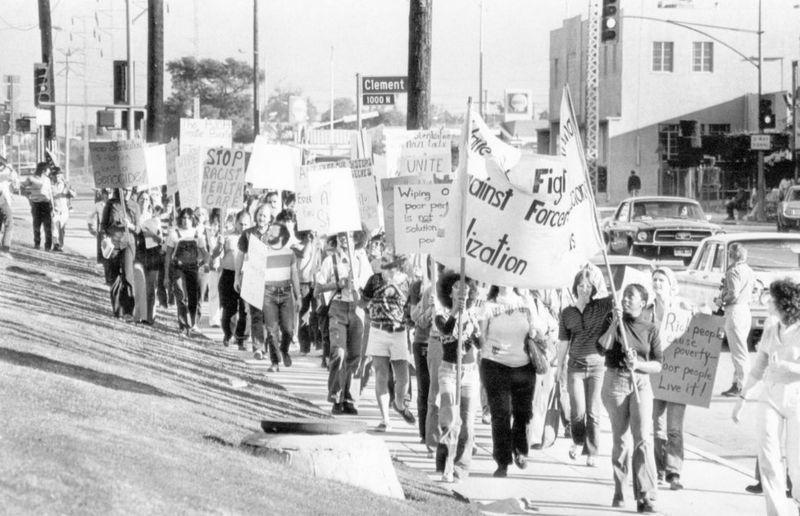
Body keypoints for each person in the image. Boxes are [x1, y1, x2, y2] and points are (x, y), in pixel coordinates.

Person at [732, 278, 800, 516]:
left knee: (797, 462)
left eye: (772, 298)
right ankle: (777, 512)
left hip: (797, 398)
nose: (767, 302)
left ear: (785, 303)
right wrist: (742, 397)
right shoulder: (771, 331)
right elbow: (758, 367)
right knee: (769, 458)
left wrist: (787, 367)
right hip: (770, 396)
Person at [598, 284, 662, 513]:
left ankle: (646, 495)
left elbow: (658, 364)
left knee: (643, 437)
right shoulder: (613, 320)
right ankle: (619, 488)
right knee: (621, 440)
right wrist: (615, 323)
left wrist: (639, 365)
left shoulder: (651, 328)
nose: (624, 299)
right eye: (623, 295)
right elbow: (602, 348)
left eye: (630, 297)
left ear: (642, 303)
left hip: (641, 382)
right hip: (615, 381)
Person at [479, 285, 546, 478]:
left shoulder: (526, 302)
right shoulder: (488, 306)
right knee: (501, 414)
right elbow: (482, 338)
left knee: (523, 413)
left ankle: (520, 450)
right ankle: (502, 461)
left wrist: (535, 330)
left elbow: (540, 327)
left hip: (523, 366)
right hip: (495, 365)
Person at [434, 273, 490, 482]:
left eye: (465, 287)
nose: (462, 290)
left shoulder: (473, 316)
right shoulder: (441, 314)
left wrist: (475, 329)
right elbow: (446, 330)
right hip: (449, 371)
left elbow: (480, 345)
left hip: (469, 373)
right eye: (457, 287)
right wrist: (457, 311)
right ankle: (444, 465)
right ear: (450, 291)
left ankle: (460, 468)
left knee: (467, 423)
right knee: (449, 419)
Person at [559, 268, 614, 467]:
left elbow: (616, 296)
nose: (585, 289)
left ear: (594, 288)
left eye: (589, 286)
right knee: (578, 412)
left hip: (597, 366)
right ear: (575, 287)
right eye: (581, 285)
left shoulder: (600, 307)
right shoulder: (567, 312)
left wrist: (600, 277)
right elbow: (563, 342)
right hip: (575, 366)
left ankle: (592, 451)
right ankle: (577, 440)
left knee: (593, 411)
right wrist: (558, 369)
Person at [236, 207, 299, 371]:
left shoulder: (276, 233)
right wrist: (238, 276)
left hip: (277, 284)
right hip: (255, 278)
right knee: (259, 316)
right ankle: (261, 349)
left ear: (270, 217)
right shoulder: (248, 234)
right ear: (256, 215)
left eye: (265, 215)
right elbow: (241, 255)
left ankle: (281, 350)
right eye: (260, 214)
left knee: (282, 326)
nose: (262, 217)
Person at [315, 232, 372, 415]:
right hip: (338, 307)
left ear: (357, 238)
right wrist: (337, 284)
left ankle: (351, 398)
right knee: (338, 352)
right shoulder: (330, 260)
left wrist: (360, 288)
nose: (344, 239)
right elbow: (318, 287)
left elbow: (370, 287)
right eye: (341, 235)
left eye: (348, 235)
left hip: (357, 309)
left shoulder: (362, 260)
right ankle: (336, 396)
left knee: (355, 356)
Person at [647, 267, 693, 490]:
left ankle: (674, 472)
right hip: (655, 372)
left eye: (661, 280)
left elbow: (703, 331)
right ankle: (658, 468)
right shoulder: (647, 311)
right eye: (654, 279)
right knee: (656, 426)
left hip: (677, 374)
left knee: (674, 427)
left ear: (670, 284)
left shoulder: (683, 308)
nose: (657, 283)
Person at [361, 252, 414, 430]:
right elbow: (362, 303)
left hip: (399, 332)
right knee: (381, 375)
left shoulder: (407, 282)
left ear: (397, 263)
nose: (381, 262)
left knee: (403, 377)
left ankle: (399, 403)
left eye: (385, 259)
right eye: (382, 259)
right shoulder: (374, 280)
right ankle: (385, 419)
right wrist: (358, 295)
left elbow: (411, 306)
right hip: (378, 331)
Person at [716, 243, 755, 397]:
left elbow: (733, 293)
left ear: (731, 255)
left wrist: (721, 301)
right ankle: (737, 381)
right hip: (745, 309)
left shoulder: (733, 271)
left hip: (735, 310)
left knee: (738, 352)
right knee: (740, 349)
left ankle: (741, 385)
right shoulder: (749, 270)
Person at [164, 207, 207, 336]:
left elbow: (205, 253)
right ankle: (183, 326)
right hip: (178, 268)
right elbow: (168, 255)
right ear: (180, 219)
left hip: (193, 268)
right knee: (181, 296)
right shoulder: (174, 233)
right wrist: (166, 275)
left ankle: (193, 324)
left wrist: (204, 263)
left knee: (194, 297)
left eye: (188, 218)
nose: (185, 221)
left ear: (192, 219)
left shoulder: (197, 234)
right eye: (183, 218)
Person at [101, 188, 139, 318]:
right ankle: (118, 310)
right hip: (114, 243)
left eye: (128, 190)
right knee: (115, 277)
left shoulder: (134, 205)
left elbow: (138, 228)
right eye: (124, 190)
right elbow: (103, 224)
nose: (126, 192)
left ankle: (129, 310)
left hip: (128, 243)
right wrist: (105, 237)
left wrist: (131, 225)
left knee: (128, 276)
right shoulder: (111, 204)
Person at [217, 210, 251, 348]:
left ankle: (241, 339)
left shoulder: (253, 238)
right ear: (236, 223)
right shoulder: (227, 236)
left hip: (245, 276)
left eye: (246, 224)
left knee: (244, 309)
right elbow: (215, 255)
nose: (243, 227)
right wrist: (219, 245)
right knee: (228, 309)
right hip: (229, 274)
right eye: (240, 224)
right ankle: (228, 334)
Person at [132, 192, 162, 325]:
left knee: (150, 287)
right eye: (141, 198)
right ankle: (137, 314)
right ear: (137, 201)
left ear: (150, 202)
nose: (144, 201)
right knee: (139, 285)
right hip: (138, 253)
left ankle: (150, 317)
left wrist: (151, 234)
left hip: (152, 254)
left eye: (146, 199)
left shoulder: (155, 219)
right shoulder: (133, 217)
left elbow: (160, 239)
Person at [295, 229, 321, 355]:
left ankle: (318, 343)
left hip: (315, 282)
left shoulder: (317, 246)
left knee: (318, 312)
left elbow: (319, 264)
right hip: (303, 283)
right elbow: (303, 255)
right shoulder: (296, 246)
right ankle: (304, 346)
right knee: (303, 315)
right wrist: (310, 242)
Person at [22, 162, 54, 251]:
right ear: (43, 170)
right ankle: (37, 244)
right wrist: (28, 198)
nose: (49, 171)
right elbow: (22, 187)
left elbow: (50, 193)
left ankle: (48, 246)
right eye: (48, 169)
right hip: (36, 204)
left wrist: (53, 207)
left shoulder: (47, 179)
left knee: (48, 226)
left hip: (46, 204)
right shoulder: (31, 178)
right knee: (37, 225)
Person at [50, 168, 75, 252]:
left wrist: (69, 190)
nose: (57, 178)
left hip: (64, 210)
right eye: (55, 176)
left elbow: (74, 195)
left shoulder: (66, 185)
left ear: (61, 176)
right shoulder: (51, 186)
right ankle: (55, 245)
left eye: (58, 176)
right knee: (54, 228)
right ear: (53, 177)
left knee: (62, 229)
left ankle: (61, 245)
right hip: (55, 210)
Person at [0, 158, 20, 257]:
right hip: (2, 200)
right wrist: (9, 168)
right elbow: (10, 175)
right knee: (9, 223)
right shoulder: (4, 174)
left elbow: (15, 184)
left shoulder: (4, 174)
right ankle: (5, 249)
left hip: (4, 199)